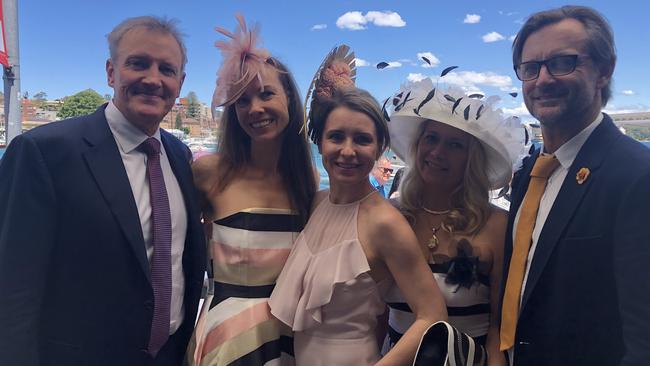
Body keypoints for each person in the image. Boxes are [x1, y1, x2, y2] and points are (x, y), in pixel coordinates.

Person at [0, 16, 206, 365]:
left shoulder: (180, 156)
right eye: (138, 63)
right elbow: (12, 288)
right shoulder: (43, 152)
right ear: (111, 72)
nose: (153, 79)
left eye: (166, 69)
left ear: (180, 82)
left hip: (170, 355)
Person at [501, 5, 650, 365]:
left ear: (604, 70)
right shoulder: (530, 173)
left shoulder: (636, 177)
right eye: (530, 68)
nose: (543, 80)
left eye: (563, 63)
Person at [269, 75, 447, 364]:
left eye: (362, 140)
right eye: (336, 137)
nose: (347, 151)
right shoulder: (317, 202)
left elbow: (433, 315)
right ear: (321, 143)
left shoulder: (385, 222)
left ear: (379, 149)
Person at [187, 15, 316, 366]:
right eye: (242, 100)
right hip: (225, 340)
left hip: (291, 340)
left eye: (266, 94)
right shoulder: (208, 174)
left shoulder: (307, 185)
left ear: (289, 98)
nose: (255, 108)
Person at [382, 78, 525, 366]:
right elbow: (374, 315)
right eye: (431, 138)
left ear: (471, 158)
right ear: (417, 144)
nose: (437, 152)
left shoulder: (497, 225)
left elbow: (500, 326)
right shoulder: (389, 216)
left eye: (455, 145)